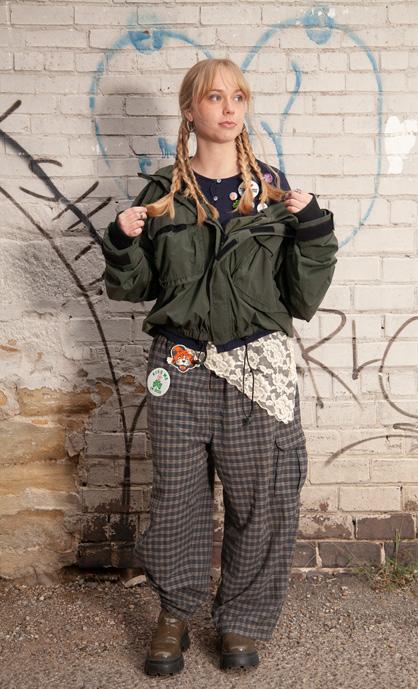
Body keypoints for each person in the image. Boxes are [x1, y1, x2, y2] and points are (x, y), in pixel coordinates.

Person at [101, 58, 338, 676]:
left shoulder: (272, 191)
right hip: (180, 366)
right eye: (213, 97)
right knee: (177, 499)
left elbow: (302, 298)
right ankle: (175, 613)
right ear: (190, 110)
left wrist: (314, 230)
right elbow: (133, 289)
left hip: (257, 366)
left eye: (238, 96)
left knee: (265, 498)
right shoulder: (163, 195)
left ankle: (242, 619)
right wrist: (122, 243)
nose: (229, 108)